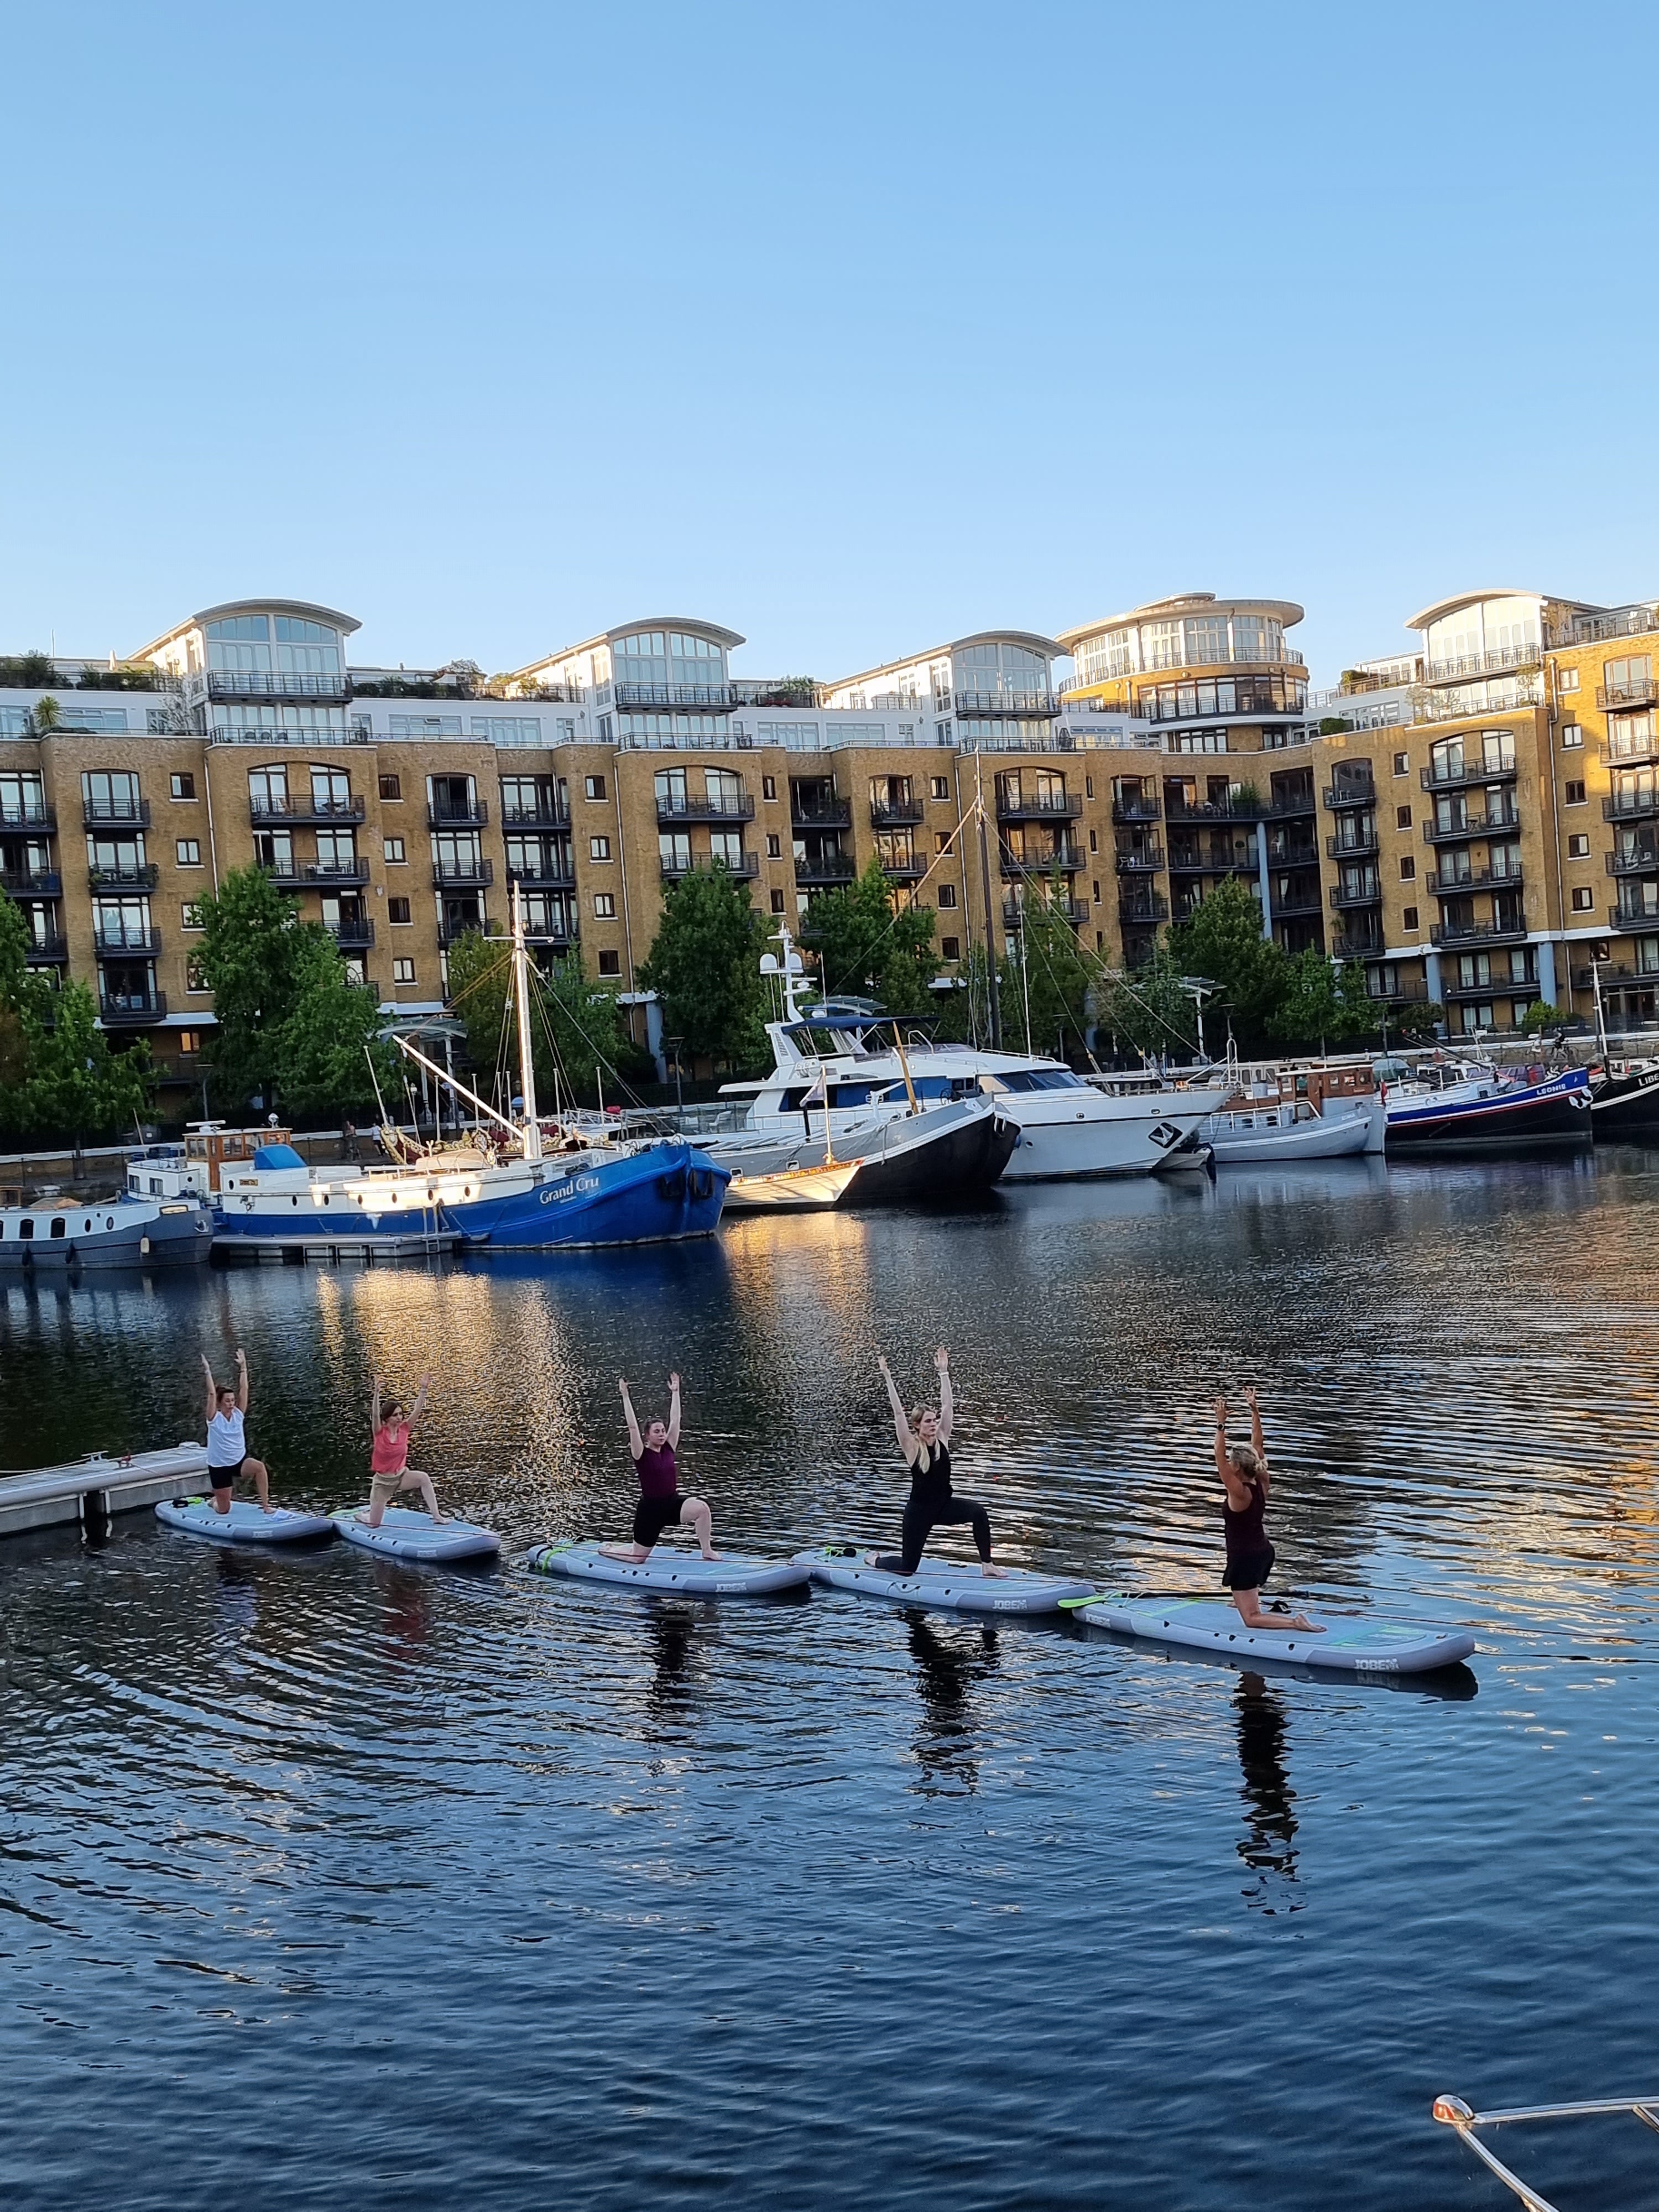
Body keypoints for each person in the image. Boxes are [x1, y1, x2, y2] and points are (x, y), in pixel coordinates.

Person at [866, 1346, 1006, 1579]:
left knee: (979, 1512)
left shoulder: (942, 1438)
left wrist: (944, 1372)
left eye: (934, 1420)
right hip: (918, 1513)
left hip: (943, 1507)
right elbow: (899, 1414)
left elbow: (948, 1406)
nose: (933, 1424)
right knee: (907, 1568)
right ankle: (876, 1560)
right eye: (928, 1421)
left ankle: (987, 1565)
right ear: (918, 1426)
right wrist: (888, 1377)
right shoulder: (911, 1446)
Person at [1214, 1387, 1322, 1632]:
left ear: (1238, 1469)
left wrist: (1221, 1424)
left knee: (1251, 1618)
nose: (1228, 1465)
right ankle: (1243, 1598)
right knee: (1244, 1595)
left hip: (1245, 1559)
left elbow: (1218, 1458)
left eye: (1232, 1463)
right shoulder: (1262, 1483)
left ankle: (1296, 1622)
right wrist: (1254, 1410)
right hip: (1264, 1552)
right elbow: (1258, 1447)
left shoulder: (1239, 1492)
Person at [601, 1373, 721, 1563]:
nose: (662, 1434)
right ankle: (608, 1551)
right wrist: (625, 1396)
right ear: (647, 1436)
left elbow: (676, 1421)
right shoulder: (641, 1454)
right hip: (650, 1511)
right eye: (657, 1432)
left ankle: (707, 1550)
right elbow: (632, 1427)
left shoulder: (668, 1449)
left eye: (663, 1431)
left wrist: (676, 1392)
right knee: (637, 1558)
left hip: (672, 1504)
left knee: (703, 1509)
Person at [362, 1373, 447, 1526]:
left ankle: (437, 1516)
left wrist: (423, 1389)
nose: (400, 1418)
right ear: (387, 1419)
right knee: (374, 1524)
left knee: (424, 1478)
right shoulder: (380, 1433)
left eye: (401, 1414)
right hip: (382, 1483)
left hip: (401, 1477)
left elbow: (417, 1411)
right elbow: (375, 1415)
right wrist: (376, 1393)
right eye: (395, 1415)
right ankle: (364, 1516)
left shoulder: (405, 1429)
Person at [200, 1348, 273, 1515]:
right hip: (219, 1467)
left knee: (260, 1468)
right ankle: (214, 1502)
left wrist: (244, 1367)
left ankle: (266, 1505)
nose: (232, 1404)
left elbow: (244, 1389)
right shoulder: (214, 1419)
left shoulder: (238, 1415)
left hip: (238, 1462)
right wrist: (207, 1370)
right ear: (220, 1403)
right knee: (224, 1510)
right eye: (227, 1401)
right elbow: (211, 1394)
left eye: (233, 1400)